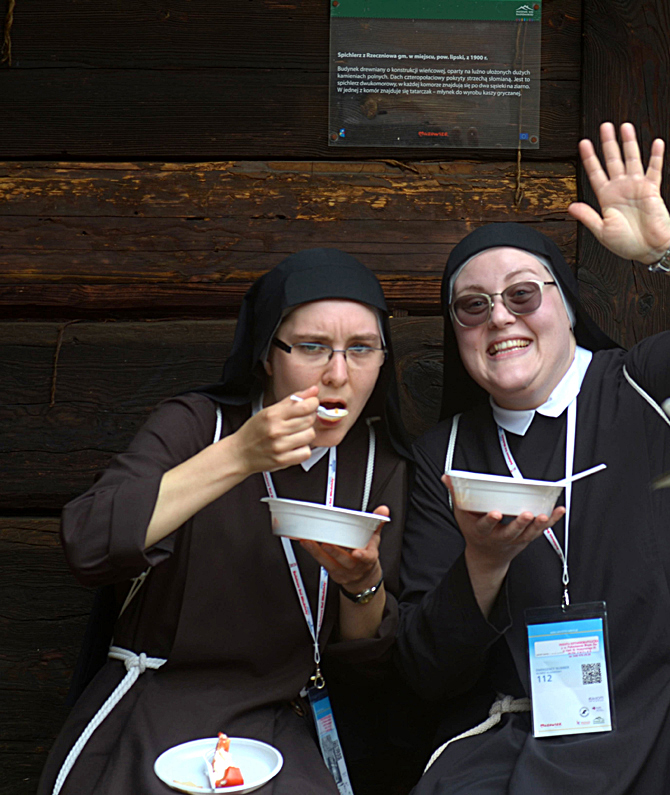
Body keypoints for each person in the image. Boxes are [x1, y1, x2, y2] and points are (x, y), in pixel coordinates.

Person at [390, 122, 670, 794]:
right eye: (472, 306)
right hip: (540, 738)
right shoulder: (446, 456)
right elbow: (426, 667)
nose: (500, 317)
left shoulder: (650, 379)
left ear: (568, 306)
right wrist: (482, 564)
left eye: (523, 294)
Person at [39, 249, 423, 795]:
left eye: (361, 349)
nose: (338, 373)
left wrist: (362, 586)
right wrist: (240, 455)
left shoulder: (377, 467)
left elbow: (366, 662)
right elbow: (87, 542)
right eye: (311, 347)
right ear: (267, 354)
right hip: (154, 704)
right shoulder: (200, 426)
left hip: (284, 721)